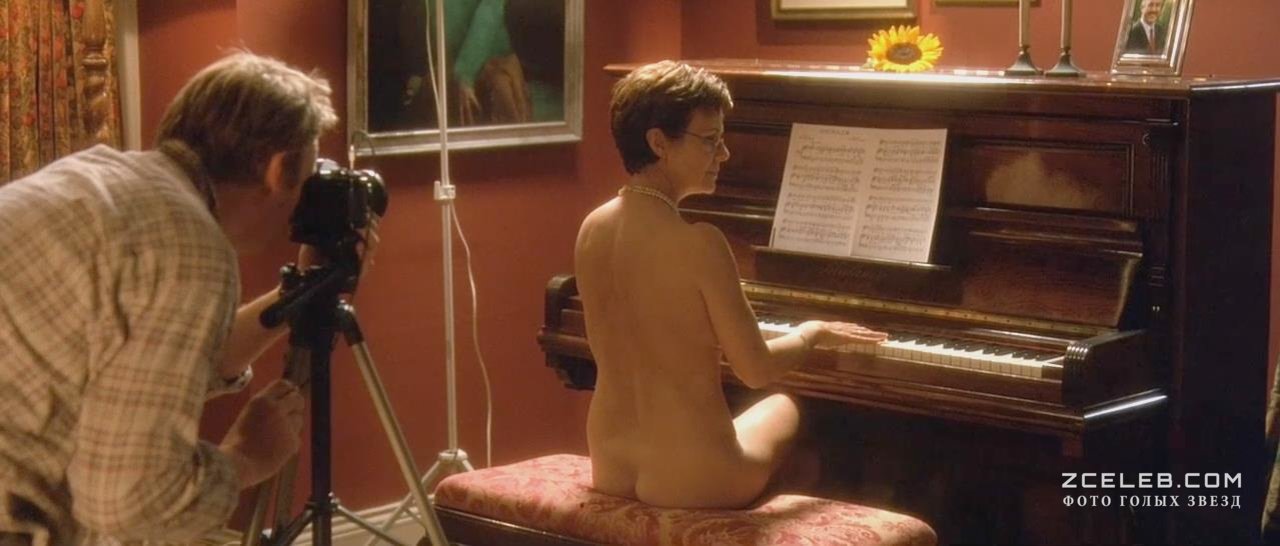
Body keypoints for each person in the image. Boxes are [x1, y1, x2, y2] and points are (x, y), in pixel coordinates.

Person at [0, 52, 340, 545]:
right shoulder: (189, 243)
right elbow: (129, 505)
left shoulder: (98, 181)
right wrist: (244, 458)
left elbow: (135, 362)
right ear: (278, 168)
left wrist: (301, 290)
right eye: (304, 180)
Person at [575, 60, 888, 509]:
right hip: (695, 478)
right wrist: (811, 332)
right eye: (710, 140)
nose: (724, 154)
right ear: (659, 143)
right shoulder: (699, 243)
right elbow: (755, 369)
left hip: (609, 463)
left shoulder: (591, 227)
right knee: (787, 406)